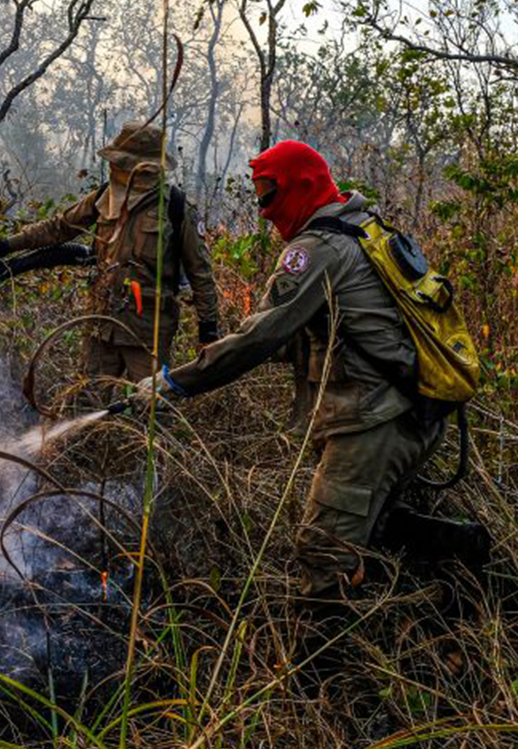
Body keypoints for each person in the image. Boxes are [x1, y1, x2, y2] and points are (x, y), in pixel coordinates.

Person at [136, 140, 485, 598]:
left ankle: (323, 665)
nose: (262, 212)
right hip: (408, 413)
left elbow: (258, 338)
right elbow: (307, 336)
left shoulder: (317, 249)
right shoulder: (364, 227)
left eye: (267, 196)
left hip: (373, 422)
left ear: (302, 185)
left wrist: (173, 382)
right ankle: (465, 557)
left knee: (322, 550)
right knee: (372, 527)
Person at [0, 121, 220, 382]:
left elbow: (201, 273)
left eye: (121, 162)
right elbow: (59, 228)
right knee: (85, 400)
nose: (114, 167)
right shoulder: (105, 196)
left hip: (148, 332)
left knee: (151, 408)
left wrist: (208, 332)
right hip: (101, 322)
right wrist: (3, 246)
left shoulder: (177, 207)